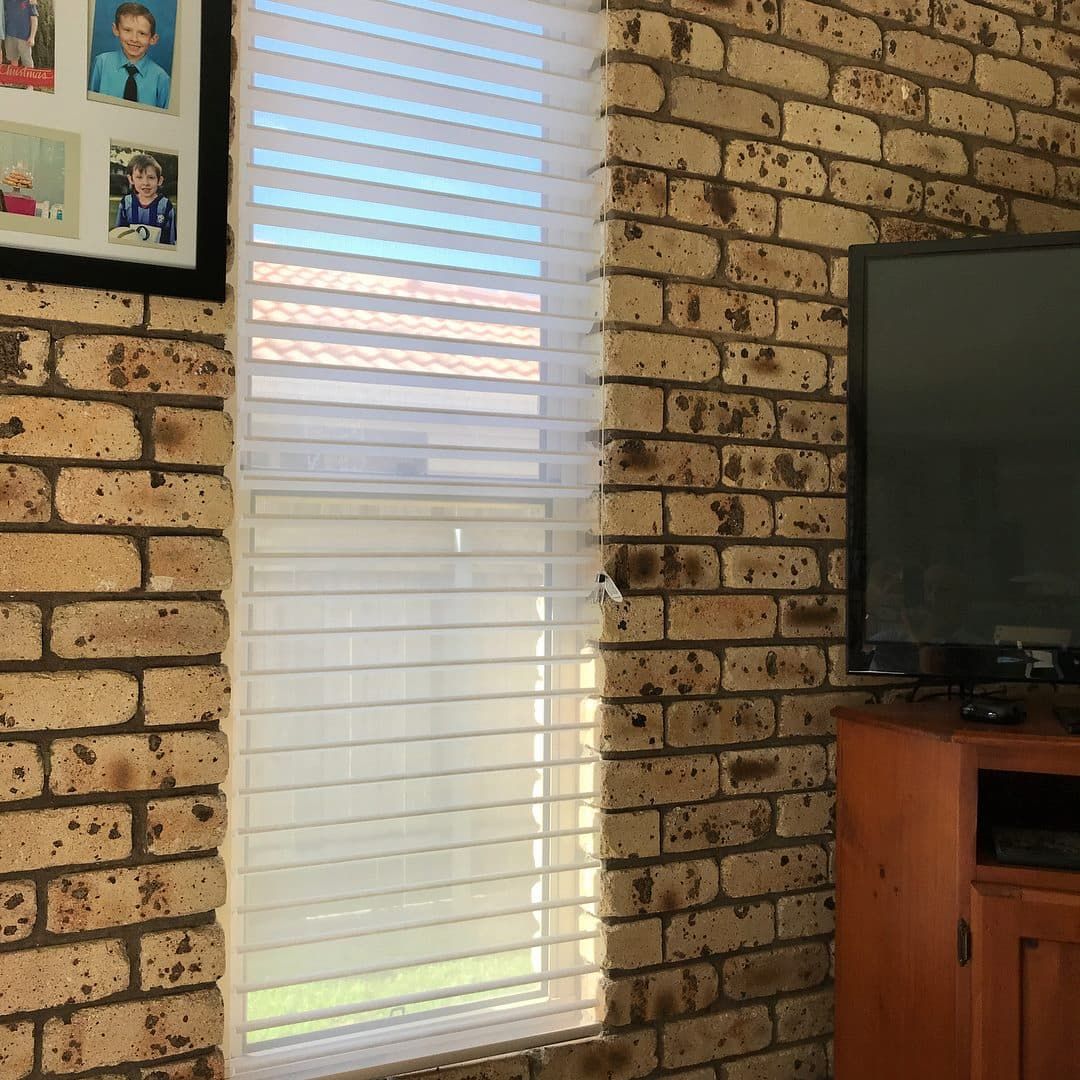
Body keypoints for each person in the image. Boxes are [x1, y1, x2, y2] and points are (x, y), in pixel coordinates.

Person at [88, 2, 170, 109]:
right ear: (116, 30)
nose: (134, 39)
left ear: (153, 39)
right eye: (127, 30)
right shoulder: (101, 63)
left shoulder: (162, 78)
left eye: (142, 33)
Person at [114, 153, 176, 245]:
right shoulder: (126, 203)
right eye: (139, 177)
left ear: (159, 180)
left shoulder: (166, 206)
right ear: (131, 179)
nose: (145, 183)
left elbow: (170, 240)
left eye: (151, 177)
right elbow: (118, 234)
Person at [3, 0, 38, 67]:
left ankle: (29, 74)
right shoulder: (6, 1)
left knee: (27, 62)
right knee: (13, 59)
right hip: (9, 35)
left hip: (24, 37)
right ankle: (15, 74)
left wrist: (32, 37)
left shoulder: (30, 1)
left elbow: (34, 19)